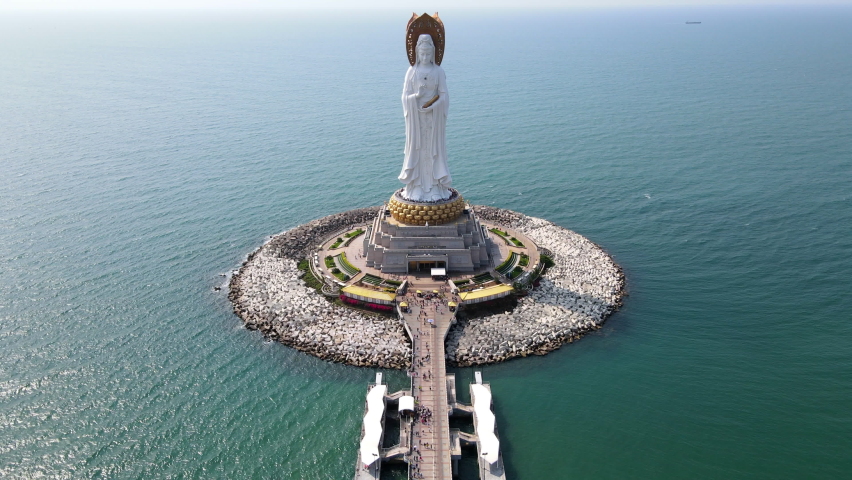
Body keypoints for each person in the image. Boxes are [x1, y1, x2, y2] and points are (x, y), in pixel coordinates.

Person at [399, 34, 452, 202]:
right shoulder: (411, 72)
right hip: (416, 121)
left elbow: (444, 96)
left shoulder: (438, 72)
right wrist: (417, 96)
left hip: (433, 121)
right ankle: (416, 188)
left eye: (428, 54)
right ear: (416, 53)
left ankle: (436, 188)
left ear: (433, 53)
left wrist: (433, 105)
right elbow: (404, 97)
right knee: (418, 151)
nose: (425, 57)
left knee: (433, 152)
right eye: (422, 54)